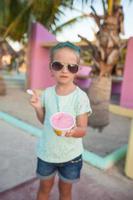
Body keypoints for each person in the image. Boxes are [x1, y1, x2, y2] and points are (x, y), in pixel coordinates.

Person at [30, 41, 92, 200]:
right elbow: (44, 120)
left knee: (65, 192)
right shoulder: (47, 94)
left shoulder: (80, 98)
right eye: (58, 65)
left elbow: (83, 129)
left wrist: (72, 132)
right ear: (51, 68)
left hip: (71, 157)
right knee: (44, 189)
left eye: (71, 67)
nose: (65, 70)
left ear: (77, 70)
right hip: (47, 154)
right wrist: (38, 107)